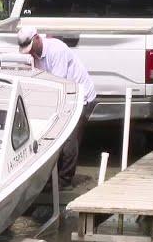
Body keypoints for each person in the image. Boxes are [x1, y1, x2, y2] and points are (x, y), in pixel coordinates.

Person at [17, 26, 97, 189]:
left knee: (68, 138)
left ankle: (64, 180)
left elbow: (58, 84)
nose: (30, 52)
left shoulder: (57, 50)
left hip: (80, 97)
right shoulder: (35, 55)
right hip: (63, 97)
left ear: (37, 38)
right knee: (51, 135)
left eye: (31, 48)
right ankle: (52, 176)